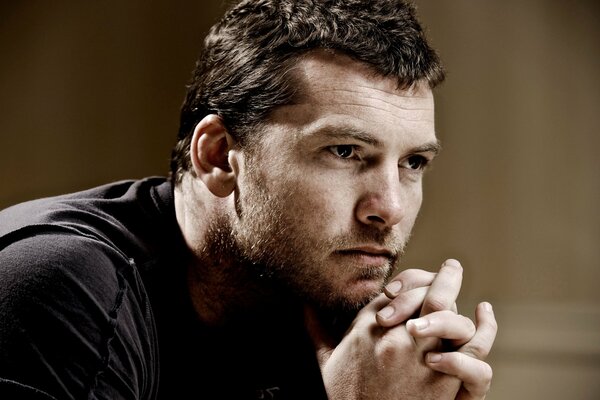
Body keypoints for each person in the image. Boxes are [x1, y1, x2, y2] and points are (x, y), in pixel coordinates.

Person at [0, 0, 497, 399]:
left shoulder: (316, 304)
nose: (388, 208)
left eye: (413, 162)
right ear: (219, 157)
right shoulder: (59, 287)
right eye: (345, 151)